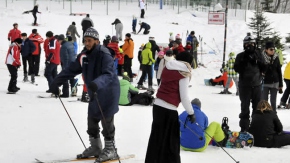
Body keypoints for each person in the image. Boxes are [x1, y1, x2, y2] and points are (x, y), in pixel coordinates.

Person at [50, 27, 120, 162]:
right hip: (94, 91)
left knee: (107, 121)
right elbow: (71, 69)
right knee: (92, 120)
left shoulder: (104, 54)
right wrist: (56, 82)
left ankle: (111, 149)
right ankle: (95, 147)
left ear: (97, 41)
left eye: (89, 41)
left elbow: (109, 74)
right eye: (85, 41)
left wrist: (96, 83)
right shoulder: (84, 55)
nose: (87, 43)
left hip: (108, 91)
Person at [145, 51, 195, 163]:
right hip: (169, 109)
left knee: (157, 137)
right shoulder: (184, 73)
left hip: (157, 105)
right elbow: (184, 96)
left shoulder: (168, 67)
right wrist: (191, 113)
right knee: (171, 141)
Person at [234, 33, 266, 132]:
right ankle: (244, 128)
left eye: (252, 44)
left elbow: (265, 67)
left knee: (257, 108)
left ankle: (256, 127)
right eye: (247, 44)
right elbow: (236, 69)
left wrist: (258, 62)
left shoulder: (259, 54)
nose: (250, 46)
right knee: (245, 108)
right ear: (244, 45)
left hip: (256, 85)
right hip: (245, 86)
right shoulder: (240, 56)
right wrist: (244, 62)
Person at [261, 42, 283, 112]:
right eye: (271, 49)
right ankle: (264, 117)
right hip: (265, 83)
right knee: (264, 101)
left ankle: (274, 117)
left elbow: (279, 71)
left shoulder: (276, 57)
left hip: (275, 82)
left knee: (273, 102)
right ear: (266, 50)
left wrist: (280, 84)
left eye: (274, 49)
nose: (273, 51)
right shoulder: (262, 58)